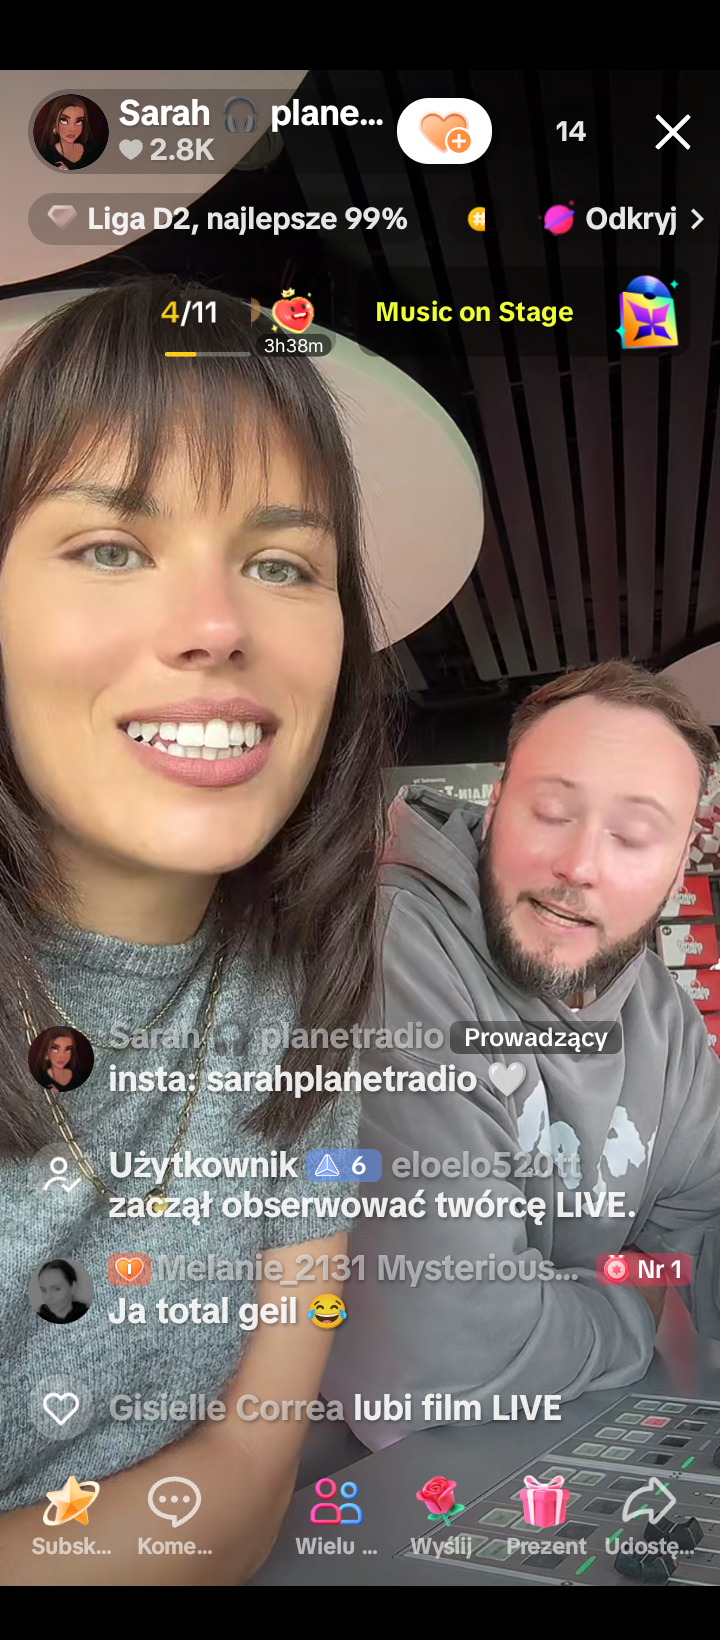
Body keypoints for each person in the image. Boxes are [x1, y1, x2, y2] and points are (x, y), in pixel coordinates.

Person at [0, 278, 391, 1585]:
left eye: (282, 565)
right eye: (113, 545)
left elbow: (249, 1475)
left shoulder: (310, 1001)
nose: (220, 627)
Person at [325, 660, 720, 1448]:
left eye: (634, 836)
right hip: (358, 1487)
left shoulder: (663, 1014)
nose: (580, 864)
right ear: (497, 802)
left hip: (568, 1447)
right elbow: (432, 1362)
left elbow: (701, 1235)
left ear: (680, 865)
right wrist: (632, 1302)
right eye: (551, 812)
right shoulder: (390, 950)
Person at [35, 98, 103, 171]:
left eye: (78, 121)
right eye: (64, 121)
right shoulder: (45, 156)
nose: (72, 129)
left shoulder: (93, 151)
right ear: (54, 125)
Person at [29, 1028, 86, 1092]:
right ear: (46, 1053)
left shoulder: (78, 1077)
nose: (62, 1056)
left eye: (67, 1050)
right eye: (55, 1049)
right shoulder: (41, 1079)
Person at [35, 1259, 89, 1324]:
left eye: (56, 1289)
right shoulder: (35, 1322)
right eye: (44, 1290)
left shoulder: (88, 1316)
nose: (48, 1297)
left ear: (73, 1287)